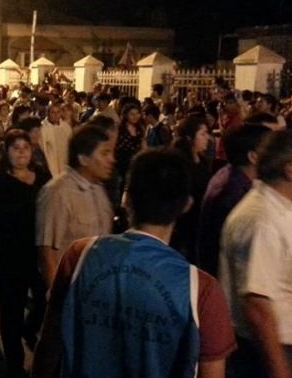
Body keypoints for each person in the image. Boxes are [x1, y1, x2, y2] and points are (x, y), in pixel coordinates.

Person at [33, 150, 236, 378]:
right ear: (186, 205)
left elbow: (48, 347)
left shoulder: (79, 256)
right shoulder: (202, 291)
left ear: (126, 198)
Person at [220, 130, 292, 378]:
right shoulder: (261, 220)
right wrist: (280, 370)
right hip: (271, 356)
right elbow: (258, 306)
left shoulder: (287, 207)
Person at [0, 130, 50, 377]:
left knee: (44, 298)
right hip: (6, 257)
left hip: (38, 253)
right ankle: (14, 364)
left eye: (25, 147)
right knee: (11, 311)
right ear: (6, 152)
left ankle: (29, 330)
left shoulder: (41, 177)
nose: (21, 152)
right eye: (15, 147)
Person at [36, 124, 115, 290]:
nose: (111, 159)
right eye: (104, 153)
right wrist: (56, 300)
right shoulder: (58, 192)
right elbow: (47, 252)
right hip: (70, 289)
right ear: (83, 159)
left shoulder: (98, 189)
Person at [199, 124, 270, 276]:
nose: (278, 156)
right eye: (272, 150)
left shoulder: (230, 176)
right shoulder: (234, 193)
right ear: (253, 157)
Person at [169, 115, 212, 263]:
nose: (207, 138)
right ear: (189, 137)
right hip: (184, 228)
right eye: (202, 134)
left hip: (199, 225)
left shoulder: (203, 162)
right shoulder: (179, 162)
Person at [40, 101, 72, 176]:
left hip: (65, 164)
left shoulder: (66, 127)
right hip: (51, 166)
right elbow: (43, 149)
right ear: (48, 114)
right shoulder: (43, 129)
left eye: (58, 112)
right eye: (53, 112)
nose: (56, 115)